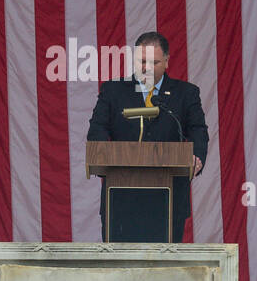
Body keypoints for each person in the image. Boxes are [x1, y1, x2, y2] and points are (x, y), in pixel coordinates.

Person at [86, 31, 208, 243]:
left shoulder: (186, 93)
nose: (147, 68)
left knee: (165, 271)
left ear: (167, 62)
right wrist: (102, 153)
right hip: (121, 201)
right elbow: (97, 129)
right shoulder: (113, 91)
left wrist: (197, 156)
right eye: (142, 61)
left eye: (154, 62)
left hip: (169, 199)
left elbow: (198, 130)